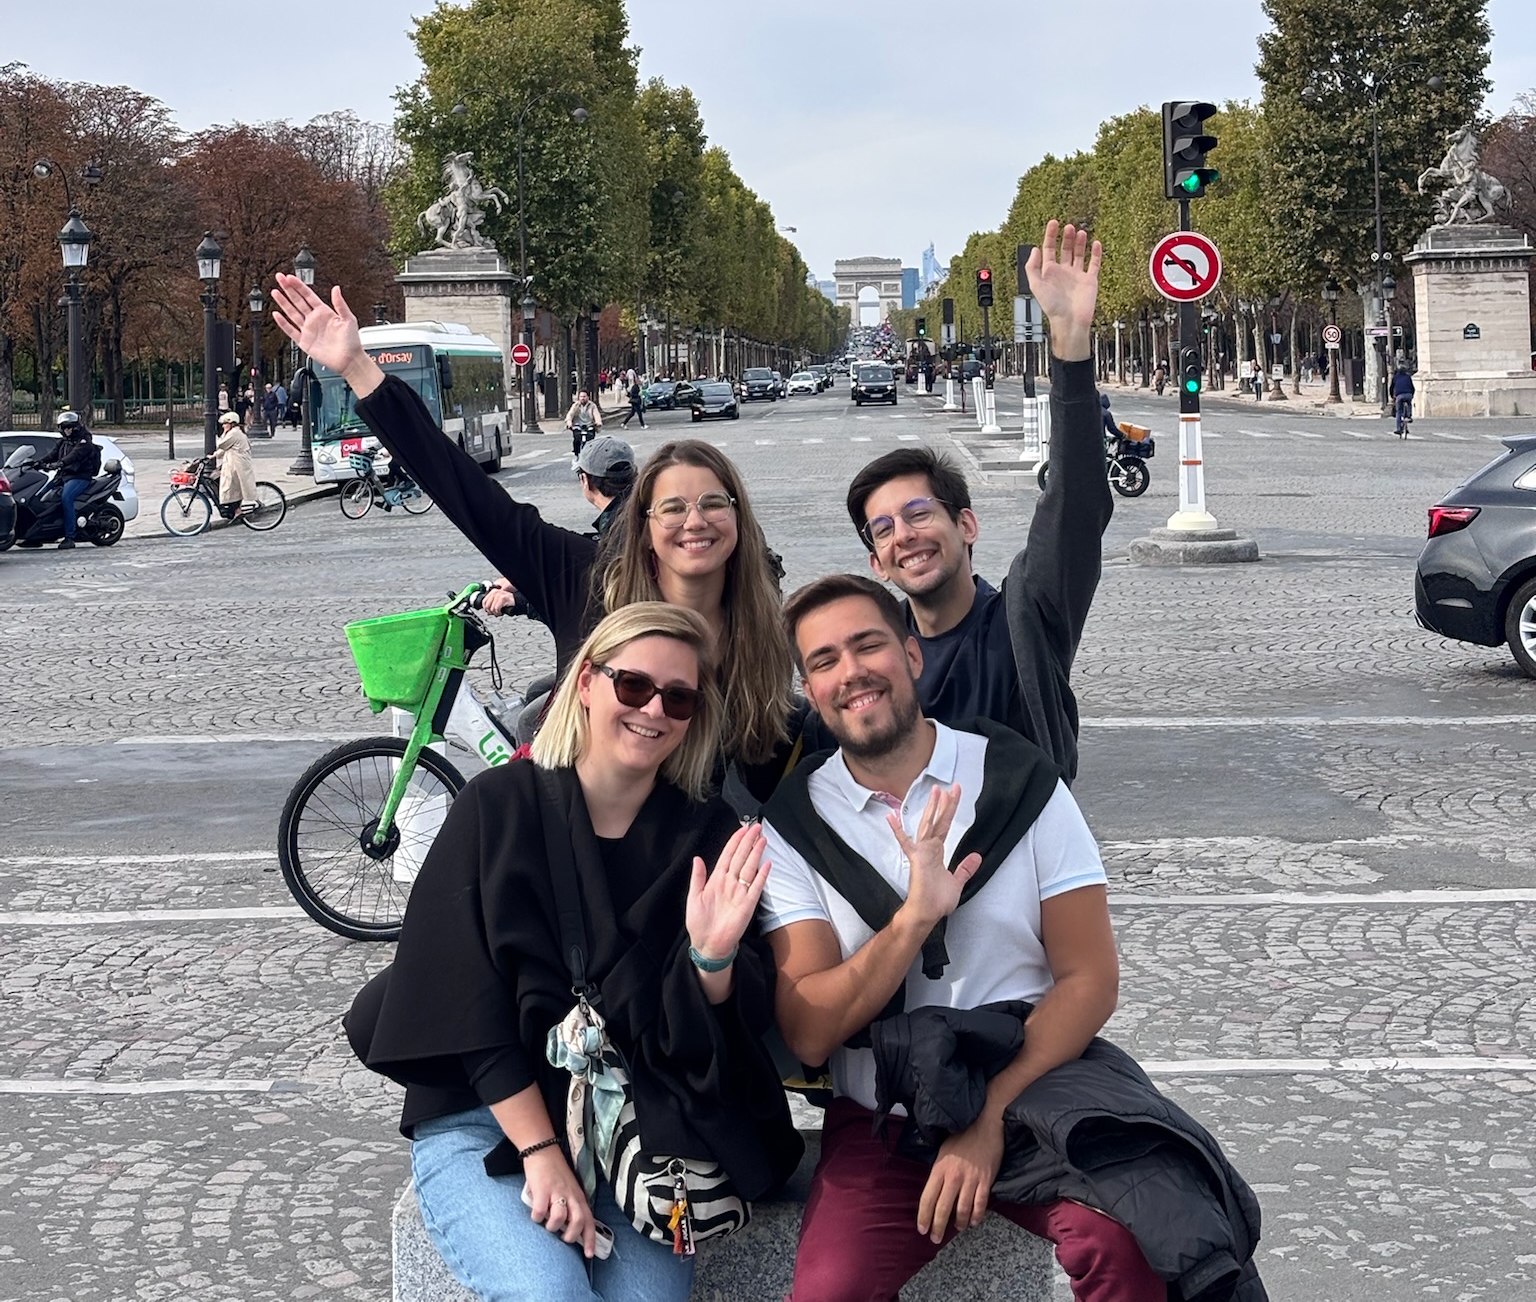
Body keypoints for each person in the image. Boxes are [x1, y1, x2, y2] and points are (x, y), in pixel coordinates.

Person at [760, 576, 1265, 1302]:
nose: (852, 672)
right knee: (828, 1291)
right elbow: (809, 1032)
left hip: (1036, 1093)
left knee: (1130, 1247)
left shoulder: (1017, 781)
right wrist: (914, 920)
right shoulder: (795, 826)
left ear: (911, 655)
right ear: (809, 690)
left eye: (869, 645)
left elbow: (1090, 978)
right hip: (883, 1120)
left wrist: (989, 1117)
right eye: (825, 660)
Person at [347, 602, 801, 1302]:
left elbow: (717, 1037)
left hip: (634, 1124)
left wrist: (712, 962)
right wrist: (540, 1152)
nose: (653, 710)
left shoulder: (705, 835)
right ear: (586, 682)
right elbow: (461, 999)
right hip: (488, 1120)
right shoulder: (496, 808)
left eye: (678, 698)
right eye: (633, 685)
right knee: (550, 1294)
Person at [269, 274, 797, 798]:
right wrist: (358, 369)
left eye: (713, 503)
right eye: (673, 507)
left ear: (738, 515)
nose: (695, 521)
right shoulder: (586, 579)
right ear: (644, 523)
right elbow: (468, 494)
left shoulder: (761, 622)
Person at [842, 222, 1110, 783]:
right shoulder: (867, 659)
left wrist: (1070, 344)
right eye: (884, 529)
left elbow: (1076, 508)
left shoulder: (1026, 620)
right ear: (876, 563)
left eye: (919, 514)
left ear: (966, 524)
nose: (904, 536)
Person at [36, 411, 99, 551]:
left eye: (69, 427)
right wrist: (38, 462)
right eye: (64, 428)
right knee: (40, 495)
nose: (67, 431)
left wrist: (60, 463)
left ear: (76, 427)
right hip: (63, 476)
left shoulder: (84, 441)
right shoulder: (63, 442)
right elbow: (51, 455)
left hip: (80, 476)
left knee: (66, 498)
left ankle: (70, 536)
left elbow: (75, 455)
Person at [213, 409, 259, 515]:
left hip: (237, 466)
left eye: (225, 424)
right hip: (235, 464)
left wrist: (224, 433)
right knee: (233, 488)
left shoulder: (233, 433)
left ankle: (237, 511)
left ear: (231, 423)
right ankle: (236, 510)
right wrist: (215, 455)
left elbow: (221, 444)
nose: (223, 426)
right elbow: (227, 448)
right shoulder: (235, 432)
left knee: (231, 487)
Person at [566, 389, 601, 466]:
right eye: (581, 396)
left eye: (584, 396)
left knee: (591, 441)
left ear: (588, 397)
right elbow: (570, 415)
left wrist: (598, 422)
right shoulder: (575, 405)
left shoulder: (592, 406)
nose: (582, 398)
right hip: (577, 425)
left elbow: (596, 415)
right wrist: (569, 422)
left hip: (589, 425)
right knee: (576, 440)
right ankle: (576, 454)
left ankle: (591, 456)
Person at [1390, 362, 1416, 437]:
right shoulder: (1408, 377)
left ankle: (1398, 428)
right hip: (1408, 394)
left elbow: (1391, 388)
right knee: (1409, 403)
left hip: (1399, 395)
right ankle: (1409, 416)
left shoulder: (1395, 377)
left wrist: (1392, 396)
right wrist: (1412, 395)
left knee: (1399, 412)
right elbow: (1412, 387)